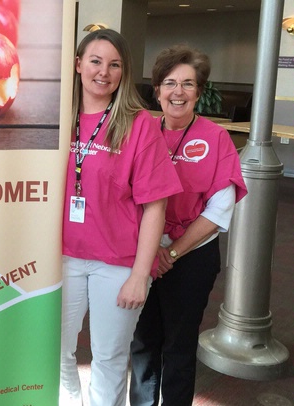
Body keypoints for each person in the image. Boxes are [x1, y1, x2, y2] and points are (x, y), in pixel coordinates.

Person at [60, 29, 183, 406]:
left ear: (124, 72)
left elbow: (155, 207)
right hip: (59, 258)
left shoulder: (138, 124)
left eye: (115, 64)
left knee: (109, 358)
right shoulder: (57, 116)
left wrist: (139, 276)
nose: (104, 71)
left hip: (115, 264)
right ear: (78, 64)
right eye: (95, 61)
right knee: (54, 351)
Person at [129, 45, 248, 406]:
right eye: (169, 83)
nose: (177, 92)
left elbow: (219, 209)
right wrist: (152, 252)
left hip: (191, 257)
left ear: (199, 91)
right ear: (157, 89)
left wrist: (171, 252)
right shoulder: (141, 130)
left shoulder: (216, 138)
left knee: (179, 346)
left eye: (187, 84)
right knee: (141, 341)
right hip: (140, 255)